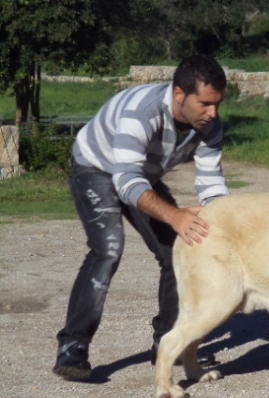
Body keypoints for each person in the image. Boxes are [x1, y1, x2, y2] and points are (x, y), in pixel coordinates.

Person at [52, 54, 230, 381]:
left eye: (217, 103)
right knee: (108, 248)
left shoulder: (210, 125)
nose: (213, 112)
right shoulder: (142, 112)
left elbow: (210, 182)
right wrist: (174, 215)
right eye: (205, 103)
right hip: (96, 167)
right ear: (180, 95)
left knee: (179, 249)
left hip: (139, 175)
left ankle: (168, 344)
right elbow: (125, 181)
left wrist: (224, 221)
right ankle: (72, 347)